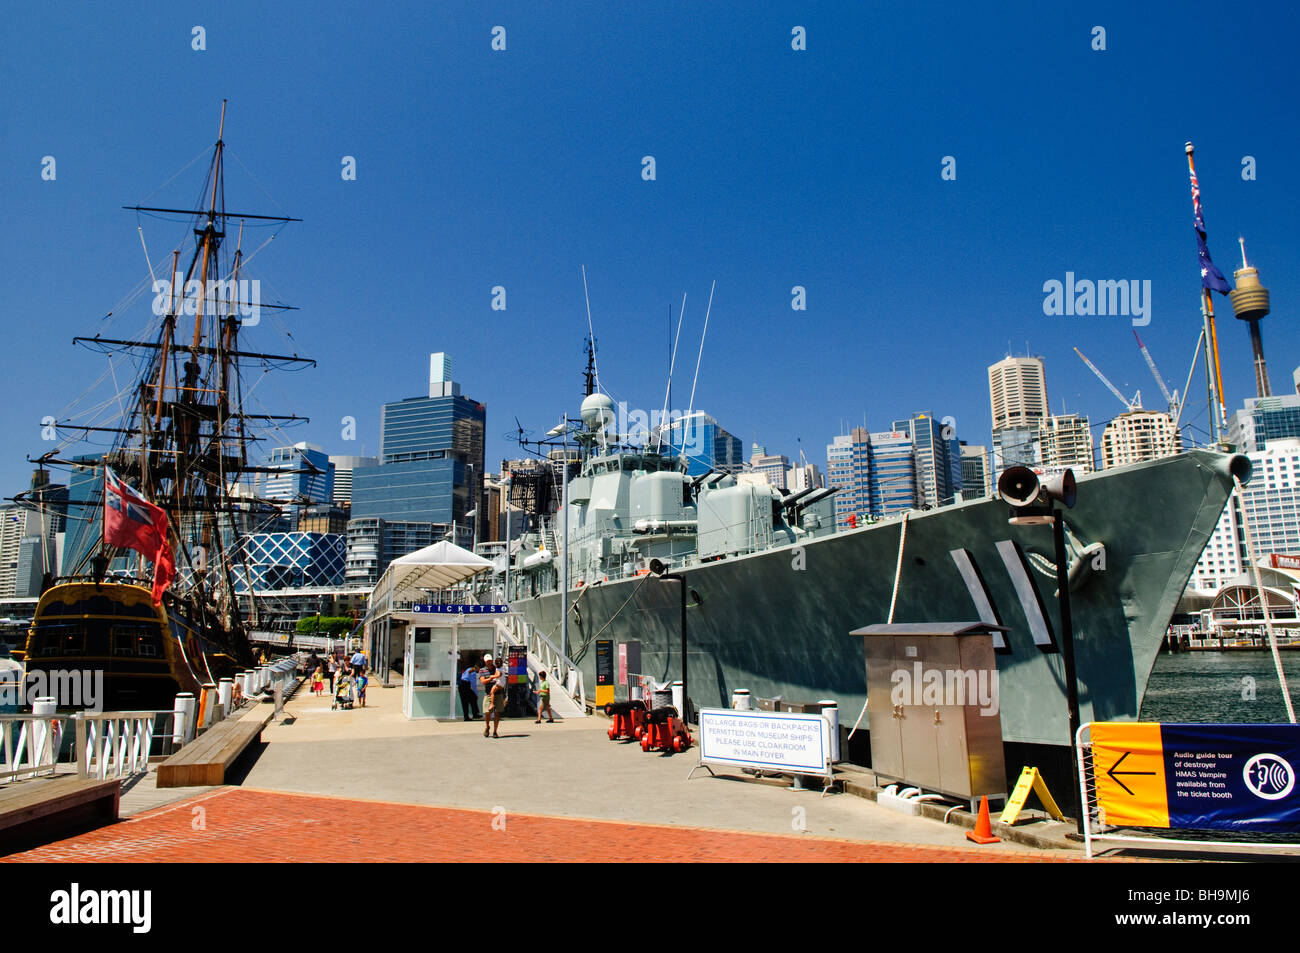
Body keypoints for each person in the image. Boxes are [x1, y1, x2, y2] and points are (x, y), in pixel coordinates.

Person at [480, 656, 501, 738]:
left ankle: (495, 731)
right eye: (487, 661)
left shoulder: (497, 669)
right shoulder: (482, 670)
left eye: (490, 660)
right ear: (485, 661)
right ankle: (487, 726)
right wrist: (491, 678)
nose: (489, 662)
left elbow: (501, 677)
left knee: (497, 713)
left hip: (498, 693)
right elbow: (483, 681)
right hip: (488, 693)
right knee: (487, 712)